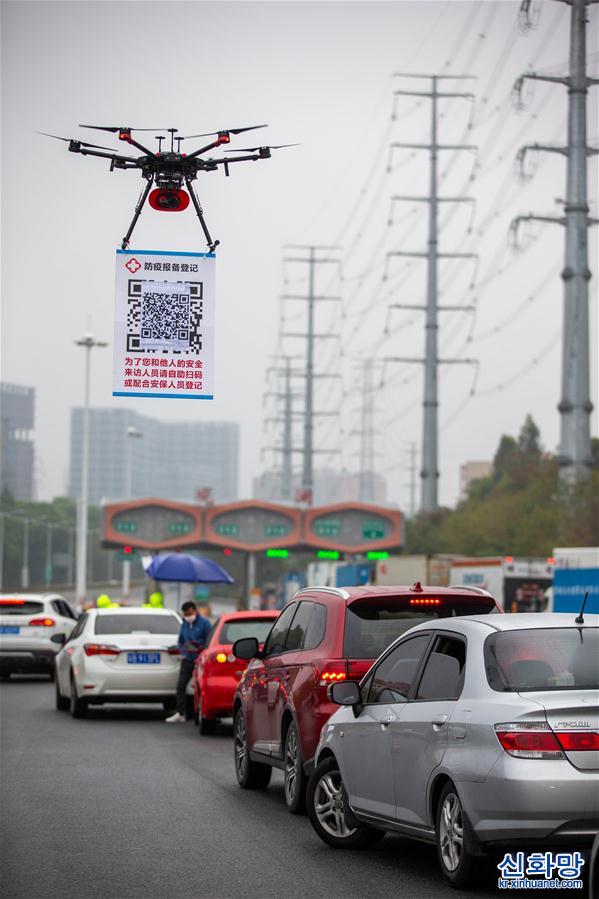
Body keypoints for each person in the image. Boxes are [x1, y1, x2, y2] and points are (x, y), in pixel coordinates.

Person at [165, 600, 211, 723]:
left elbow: (210, 641)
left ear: (195, 610)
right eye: (185, 614)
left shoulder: (205, 623)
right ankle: (180, 713)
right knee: (180, 686)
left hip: (200, 660)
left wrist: (201, 651)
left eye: (189, 613)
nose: (188, 616)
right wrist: (183, 651)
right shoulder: (184, 624)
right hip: (187, 659)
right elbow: (180, 641)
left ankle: (198, 714)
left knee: (199, 688)